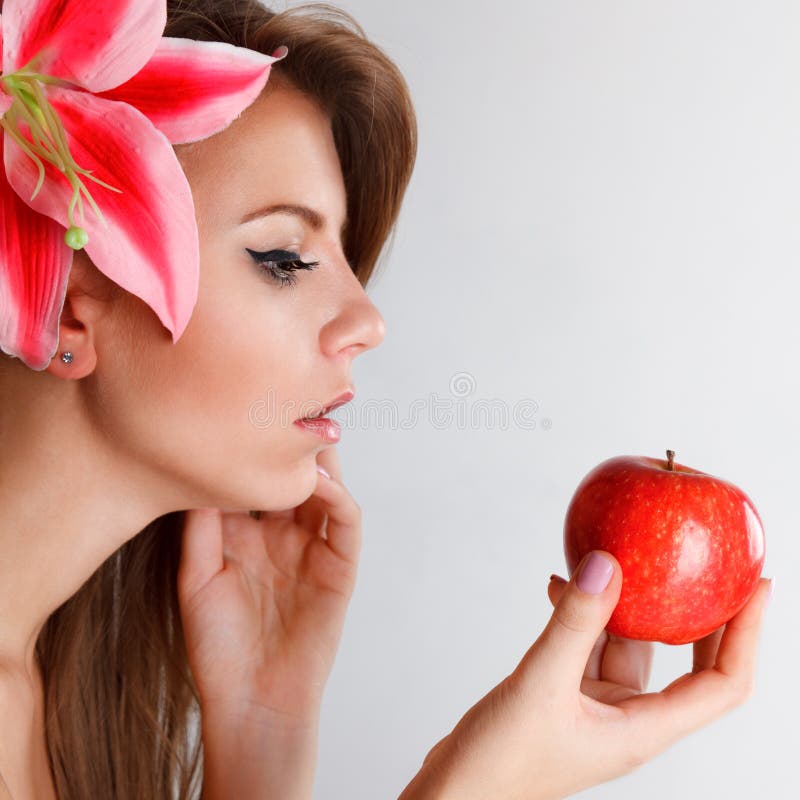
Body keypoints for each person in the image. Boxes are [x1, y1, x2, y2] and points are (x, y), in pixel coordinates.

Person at [0, 1, 773, 799]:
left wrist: (266, 726)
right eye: (282, 257)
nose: (368, 320)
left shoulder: (49, 696)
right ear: (63, 305)